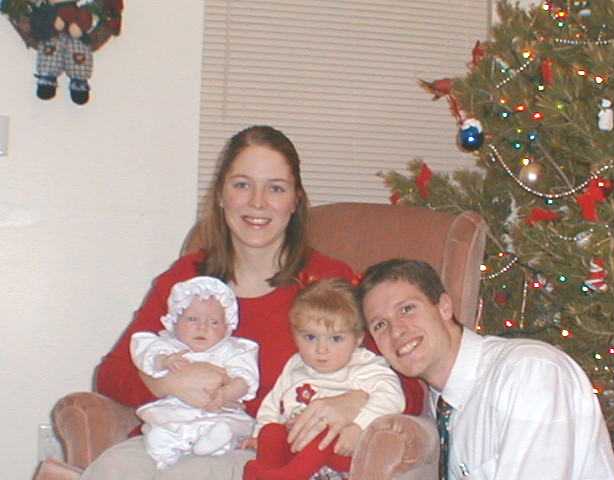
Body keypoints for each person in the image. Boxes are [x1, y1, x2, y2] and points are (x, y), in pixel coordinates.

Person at [81, 126, 424, 480]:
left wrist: (354, 401)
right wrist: (166, 384)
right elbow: (111, 373)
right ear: (221, 194)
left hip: (270, 459)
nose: (257, 202)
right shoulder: (187, 280)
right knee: (113, 469)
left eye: (275, 188)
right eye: (242, 185)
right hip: (174, 444)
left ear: (295, 201)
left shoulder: (327, 283)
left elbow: (410, 383)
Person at [357, 258, 614, 480]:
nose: (396, 331)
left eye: (407, 309)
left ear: (444, 307)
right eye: (380, 325)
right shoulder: (440, 403)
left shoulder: (529, 374)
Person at [243, 278, 404, 480]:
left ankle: (287, 476)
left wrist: (359, 426)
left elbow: (392, 397)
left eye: (336, 338)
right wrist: (259, 434)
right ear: (294, 334)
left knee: (324, 429)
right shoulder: (296, 364)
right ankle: (270, 470)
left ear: (358, 339)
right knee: (271, 432)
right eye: (310, 337)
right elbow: (273, 402)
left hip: (339, 449)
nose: (321, 349)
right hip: (294, 444)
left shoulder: (364, 366)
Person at [131, 276, 259, 469]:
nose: (202, 327)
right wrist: (164, 361)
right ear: (174, 321)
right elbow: (146, 357)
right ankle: (166, 446)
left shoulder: (233, 350)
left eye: (214, 322)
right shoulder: (168, 345)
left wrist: (226, 394)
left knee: (230, 425)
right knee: (164, 422)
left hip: (218, 410)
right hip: (177, 408)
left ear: (227, 328)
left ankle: (216, 443)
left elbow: (245, 379)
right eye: (192, 319)